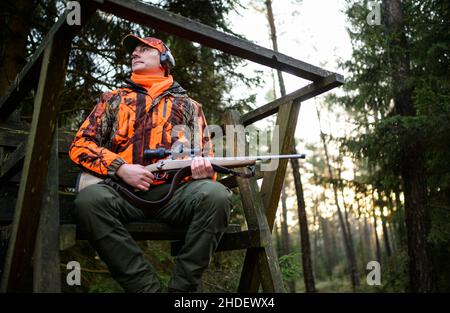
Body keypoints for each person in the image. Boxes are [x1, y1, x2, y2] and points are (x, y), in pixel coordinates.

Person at [68, 34, 232, 293]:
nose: (135, 53)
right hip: (123, 193)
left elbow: (204, 154)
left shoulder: (190, 106)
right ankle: (147, 290)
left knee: (216, 196)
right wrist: (121, 168)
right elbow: (80, 146)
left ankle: (181, 292)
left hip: (175, 195)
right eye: (134, 51)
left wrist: (203, 170)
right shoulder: (113, 100)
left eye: (145, 49)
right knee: (88, 203)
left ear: (165, 60)